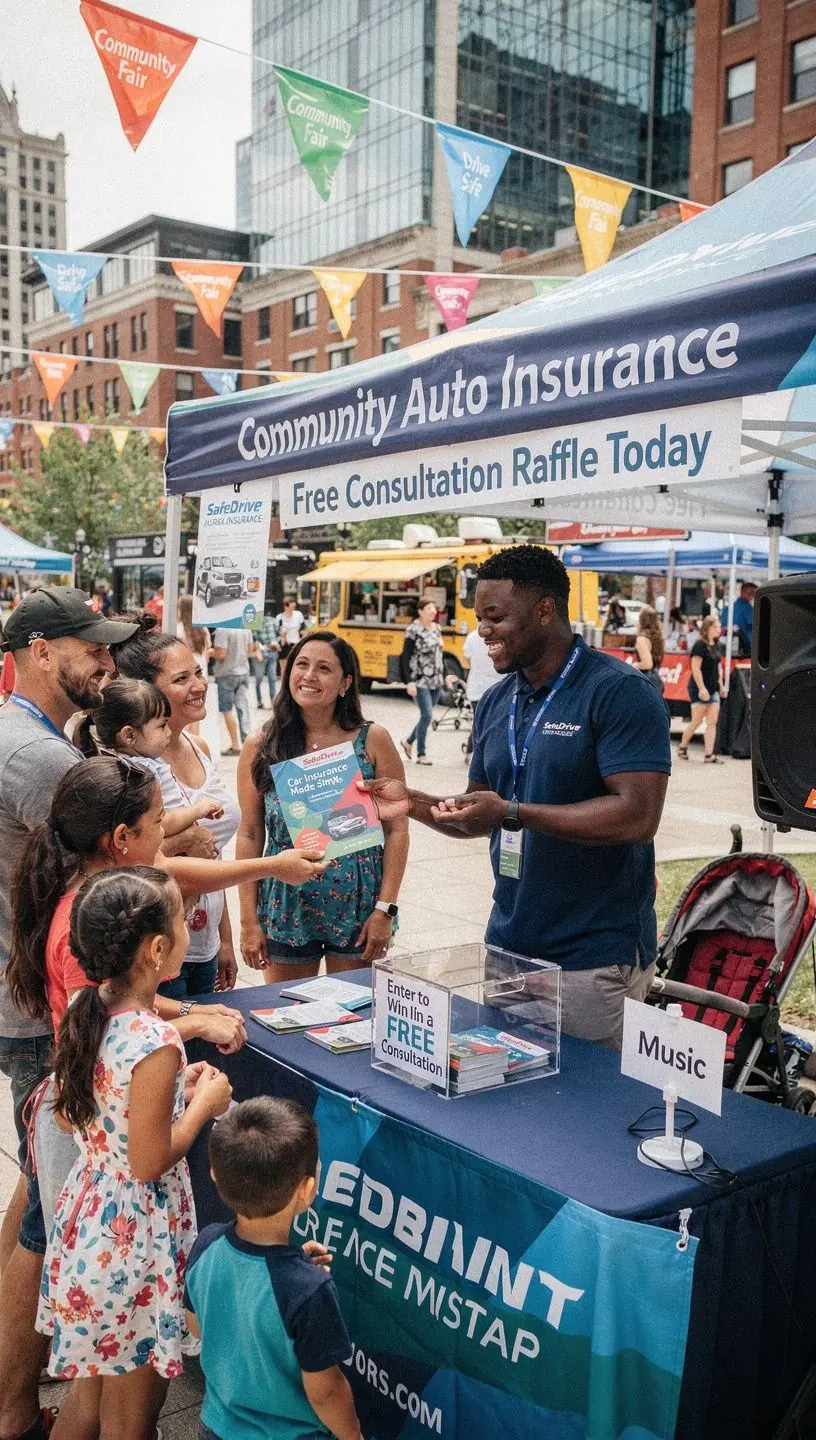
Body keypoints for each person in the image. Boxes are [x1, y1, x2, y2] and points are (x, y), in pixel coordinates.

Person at [365, 546, 671, 1049]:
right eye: (478, 618)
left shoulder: (619, 691)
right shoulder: (497, 700)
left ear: (544, 610)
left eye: (495, 617)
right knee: (511, 1106)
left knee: (585, 1111)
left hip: (592, 956)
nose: (481, 630)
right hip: (509, 945)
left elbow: (637, 816)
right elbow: (476, 814)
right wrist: (411, 802)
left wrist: (513, 812)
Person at [8, 755, 329, 1232]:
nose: (165, 834)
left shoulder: (97, 909)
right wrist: (201, 1097)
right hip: (127, 1226)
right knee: (37, 1234)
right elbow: (147, 1156)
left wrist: (187, 1013)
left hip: (92, 1177)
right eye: (157, 822)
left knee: (42, 1234)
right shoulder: (141, 1035)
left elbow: (104, 1011)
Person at [0, 586, 138, 1440]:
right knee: (56, 1216)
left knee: (35, 1198)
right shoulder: (37, 758)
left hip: (26, 1000)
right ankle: (17, 1405)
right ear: (42, 651)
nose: (107, 663)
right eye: (92, 648)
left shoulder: (31, 738)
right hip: (39, 1012)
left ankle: (15, 1391)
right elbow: (127, 858)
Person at [36, 867, 233, 1440]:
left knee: (90, 1394)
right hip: (133, 1239)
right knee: (129, 1416)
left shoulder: (86, 1006)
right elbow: (149, 1160)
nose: (187, 918)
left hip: (91, 1220)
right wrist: (204, 1105)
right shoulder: (157, 1039)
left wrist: (177, 1093)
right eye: (180, 915)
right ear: (155, 950)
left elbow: (102, 1108)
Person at [185, 1097, 362, 1440]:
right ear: (307, 1191)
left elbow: (197, 1327)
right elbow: (325, 1391)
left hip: (218, 1426)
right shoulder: (310, 1291)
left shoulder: (206, 1244)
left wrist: (291, 1274)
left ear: (214, 1177)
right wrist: (353, 1436)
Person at [237, 632, 409, 984]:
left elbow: (398, 830)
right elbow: (250, 833)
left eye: (324, 668)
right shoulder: (261, 744)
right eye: (301, 664)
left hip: (359, 906)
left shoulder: (373, 740)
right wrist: (248, 921)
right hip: (286, 905)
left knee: (350, 1020)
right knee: (288, 1016)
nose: (309, 676)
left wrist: (385, 909)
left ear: (345, 683)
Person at [114, 619, 243, 1000]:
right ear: (147, 692)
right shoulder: (131, 767)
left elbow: (214, 860)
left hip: (204, 944)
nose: (199, 686)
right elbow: (125, 864)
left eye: (199, 673)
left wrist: (225, 940)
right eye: (182, 678)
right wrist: (183, 840)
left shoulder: (199, 747)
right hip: (157, 947)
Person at [76, 677, 225, 837]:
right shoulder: (140, 773)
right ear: (129, 734)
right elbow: (159, 824)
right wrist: (198, 810)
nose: (168, 732)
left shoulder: (132, 764)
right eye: (162, 725)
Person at [400, 596, 445, 766]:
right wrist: (409, 681)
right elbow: (406, 656)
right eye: (429, 609)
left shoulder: (437, 628)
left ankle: (408, 741)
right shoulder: (413, 629)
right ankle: (421, 754)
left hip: (437, 679)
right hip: (419, 680)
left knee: (425, 717)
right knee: (427, 715)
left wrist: (446, 675)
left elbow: (439, 654)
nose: (433, 612)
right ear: (420, 612)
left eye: (434, 609)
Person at [677, 615, 725, 763]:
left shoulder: (716, 645)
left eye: (719, 627)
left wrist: (721, 686)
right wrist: (701, 688)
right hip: (699, 688)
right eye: (715, 627)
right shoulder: (699, 646)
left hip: (713, 688)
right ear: (707, 628)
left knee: (712, 721)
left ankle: (709, 754)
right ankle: (682, 746)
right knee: (697, 721)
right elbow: (695, 668)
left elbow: (718, 668)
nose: (718, 630)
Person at [177, 593, 220, 754]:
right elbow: (208, 651)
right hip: (201, 675)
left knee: (185, 712)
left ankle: (186, 746)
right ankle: (196, 746)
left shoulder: (178, 629)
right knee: (197, 711)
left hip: (184, 676)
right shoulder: (202, 629)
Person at [462, 625, 501, 758]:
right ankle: (476, 754)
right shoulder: (502, 637)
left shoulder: (472, 637)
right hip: (496, 688)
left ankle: (471, 753)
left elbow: (465, 662)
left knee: (480, 724)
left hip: (477, 688)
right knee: (489, 724)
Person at [213, 625, 252, 755]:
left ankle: (236, 745)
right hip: (243, 672)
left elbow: (221, 654)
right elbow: (250, 650)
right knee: (243, 707)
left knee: (227, 709)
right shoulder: (246, 628)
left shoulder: (222, 629)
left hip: (226, 674)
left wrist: (209, 652)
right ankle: (247, 741)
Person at [251, 610, 280, 710]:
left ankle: (273, 703)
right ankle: (259, 701)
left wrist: (276, 642)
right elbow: (254, 640)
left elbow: (279, 634)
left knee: (272, 678)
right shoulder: (254, 623)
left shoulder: (273, 621)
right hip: (260, 654)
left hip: (272, 653)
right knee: (259, 678)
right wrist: (258, 649)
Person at [634, 606, 665, 693]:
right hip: (656, 680)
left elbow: (647, 664)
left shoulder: (642, 639)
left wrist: (635, 665)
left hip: (644, 682)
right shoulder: (658, 638)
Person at [276, 595, 305, 671]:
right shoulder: (280, 617)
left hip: (296, 643)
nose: (292, 608)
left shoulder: (298, 614)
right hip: (285, 644)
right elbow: (278, 631)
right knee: (284, 668)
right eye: (290, 606)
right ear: (286, 606)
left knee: (295, 667)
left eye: (294, 606)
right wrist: (282, 635)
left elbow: (303, 629)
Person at [730, 581, 757, 656]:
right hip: (746, 643)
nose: (753, 595)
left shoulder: (735, 605)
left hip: (737, 642)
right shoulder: (746, 607)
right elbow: (754, 622)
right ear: (743, 591)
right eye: (751, 592)